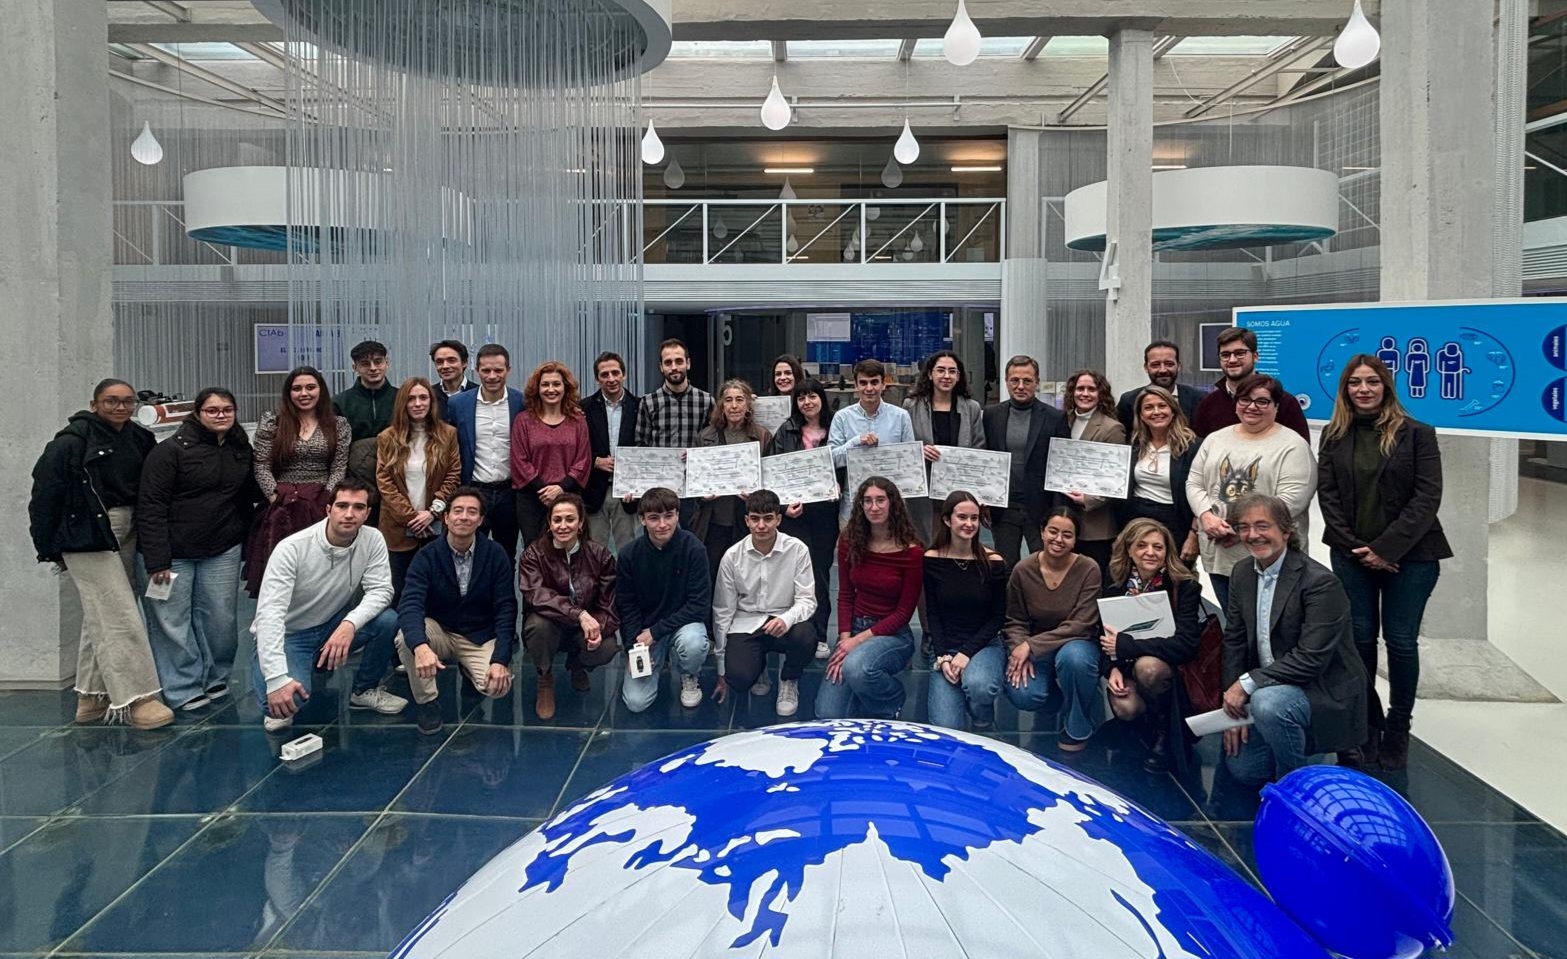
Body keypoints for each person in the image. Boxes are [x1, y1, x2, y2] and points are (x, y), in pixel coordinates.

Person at [1317, 355, 1451, 770]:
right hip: (1351, 555)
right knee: (1359, 641)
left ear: (1386, 386)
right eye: (1355, 382)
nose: (1364, 389)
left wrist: (1386, 550)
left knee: (1401, 642)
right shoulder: (1334, 435)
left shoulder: (1417, 433)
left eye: (1372, 381)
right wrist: (1359, 549)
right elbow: (1328, 497)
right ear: (1345, 389)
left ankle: (1398, 727)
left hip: (1413, 558)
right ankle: (1366, 724)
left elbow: (1427, 497)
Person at [28, 379, 173, 729]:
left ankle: (92, 697)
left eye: (127, 401)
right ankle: (138, 698)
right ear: (94, 404)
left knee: (103, 612)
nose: (120, 407)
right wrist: (48, 548)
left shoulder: (140, 438)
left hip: (130, 525)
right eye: (111, 401)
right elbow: (44, 497)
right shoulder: (70, 443)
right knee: (118, 612)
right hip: (87, 533)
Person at [1220, 494, 1368, 784]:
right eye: (1244, 527)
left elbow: (1311, 659)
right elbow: (1234, 640)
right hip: (1269, 684)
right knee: (1246, 771)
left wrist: (1245, 684)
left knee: (1268, 705)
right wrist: (1232, 709)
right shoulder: (1242, 573)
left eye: (1263, 526)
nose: (1253, 535)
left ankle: (1294, 785)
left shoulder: (1320, 582)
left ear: (1286, 531)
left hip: (1319, 688)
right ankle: (1295, 742)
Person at [136, 387, 262, 712]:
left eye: (227, 409)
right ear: (197, 413)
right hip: (172, 554)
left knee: (221, 620)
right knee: (172, 623)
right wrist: (157, 559)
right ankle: (182, 687)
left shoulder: (239, 449)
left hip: (221, 549)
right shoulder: (169, 452)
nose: (220, 415)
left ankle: (215, 677)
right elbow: (150, 506)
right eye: (212, 410)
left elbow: (249, 495)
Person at [250, 478, 408, 733]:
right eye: (342, 506)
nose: (349, 514)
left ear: (367, 513)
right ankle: (282, 666)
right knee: (284, 704)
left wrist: (349, 624)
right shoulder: (292, 549)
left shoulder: (372, 539)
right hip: (290, 635)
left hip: (331, 626)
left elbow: (382, 590)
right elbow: (270, 615)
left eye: (358, 507)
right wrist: (276, 678)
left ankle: (363, 690)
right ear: (328, 509)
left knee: (387, 620)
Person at [1187, 373, 1317, 614]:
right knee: (1234, 623)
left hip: (1269, 557)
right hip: (1220, 552)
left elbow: (1291, 500)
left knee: (1271, 624)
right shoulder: (1215, 439)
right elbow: (1194, 483)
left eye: (1262, 401)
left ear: (1276, 406)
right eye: (1245, 399)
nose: (1252, 407)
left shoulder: (1292, 445)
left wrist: (1242, 530)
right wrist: (1206, 516)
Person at [394, 487, 516, 736]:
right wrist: (420, 646)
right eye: (458, 511)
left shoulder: (495, 554)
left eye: (472, 512)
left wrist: (501, 660)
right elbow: (410, 604)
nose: (464, 517)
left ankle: (470, 672)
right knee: (406, 639)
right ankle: (428, 703)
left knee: (497, 687)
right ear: (446, 517)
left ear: (480, 520)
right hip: (439, 630)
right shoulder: (427, 556)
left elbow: (506, 608)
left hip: (479, 634)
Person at [814, 477, 924, 720]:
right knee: (827, 713)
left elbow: (903, 613)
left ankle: (891, 698)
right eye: (868, 501)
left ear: (892, 503)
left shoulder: (912, 551)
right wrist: (845, 641)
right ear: (861, 506)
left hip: (892, 634)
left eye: (880, 500)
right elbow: (845, 595)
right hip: (854, 628)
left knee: (857, 669)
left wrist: (857, 642)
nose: (874, 507)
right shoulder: (849, 541)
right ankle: (863, 687)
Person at [1100, 518, 1204, 772]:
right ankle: (1143, 727)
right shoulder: (1114, 582)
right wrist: (1111, 670)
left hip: (1170, 670)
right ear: (1129, 549)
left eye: (1158, 547)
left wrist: (1127, 647)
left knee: (1149, 668)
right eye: (1142, 545)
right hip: (1126, 665)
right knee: (1125, 707)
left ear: (1167, 551)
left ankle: (1165, 732)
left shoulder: (1184, 585)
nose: (1150, 552)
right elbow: (1098, 634)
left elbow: (1185, 645)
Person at [1002, 507, 1102, 752]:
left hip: (1076, 644)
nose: (1059, 539)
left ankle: (1077, 723)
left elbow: (1082, 624)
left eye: (1067, 535)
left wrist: (1031, 645)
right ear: (1042, 532)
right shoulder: (1023, 570)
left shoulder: (1089, 569)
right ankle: (1057, 697)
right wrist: (1019, 647)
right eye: (1053, 531)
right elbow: (1014, 620)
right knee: (1023, 693)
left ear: (1075, 540)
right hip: (1038, 649)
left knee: (1074, 660)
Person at [246, 366, 351, 596]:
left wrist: (327, 497)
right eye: (297, 389)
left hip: (320, 501)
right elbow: (261, 464)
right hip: (280, 503)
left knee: (318, 574)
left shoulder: (338, 425)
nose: (304, 393)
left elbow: (338, 466)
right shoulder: (273, 423)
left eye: (310, 387)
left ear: (321, 390)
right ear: (289, 393)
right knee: (280, 576)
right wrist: (274, 497)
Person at [711, 490, 817, 717]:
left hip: (785, 621)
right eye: (755, 519)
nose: (761, 526)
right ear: (746, 520)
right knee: (738, 679)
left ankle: (789, 679)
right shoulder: (732, 556)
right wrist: (721, 667)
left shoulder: (798, 550)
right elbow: (723, 610)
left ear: (778, 519)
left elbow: (807, 600)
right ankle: (758, 668)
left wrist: (786, 619)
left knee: (807, 636)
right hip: (746, 622)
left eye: (768, 518)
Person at [518, 494, 620, 719]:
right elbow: (537, 596)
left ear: (581, 523)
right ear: (549, 523)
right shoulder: (533, 554)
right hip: (550, 624)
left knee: (607, 647)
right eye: (557, 520)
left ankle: (577, 664)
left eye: (570, 519)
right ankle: (544, 676)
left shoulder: (600, 555)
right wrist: (579, 614)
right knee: (538, 626)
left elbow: (609, 605)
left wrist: (598, 629)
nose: (563, 526)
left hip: (583, 629)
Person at [616, 487, 713, 713]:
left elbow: (699, 606)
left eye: (669, 516)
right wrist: (632, 648)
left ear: (678, 515)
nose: (662, 524)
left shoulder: (694, 549)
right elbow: (627, 605)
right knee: (636, 703)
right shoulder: (629, 555)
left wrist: (657, 631)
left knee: (694, 644)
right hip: (645, 632)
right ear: (642, 519)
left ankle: (689, 674)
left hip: (682, 625)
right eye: (654, 518)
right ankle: (658, 662)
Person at [923, 492, 1009, 731]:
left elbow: (998, 617)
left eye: (974, 518)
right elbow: (933, 613)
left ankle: (980, 709)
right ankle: (963, 687)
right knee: (947, 729)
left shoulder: (994, 562)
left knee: (980, 686)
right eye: (962, 517)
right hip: (946, 647)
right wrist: (942, 656)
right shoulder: (931, 559)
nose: (969, 524)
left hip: (983, 645)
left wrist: (966, 654)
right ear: (947, 520)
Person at [771, 379, 841, 657]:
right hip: (794, 512)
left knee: (820, 572)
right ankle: (794, 630)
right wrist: (783, 507)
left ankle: (820, 634)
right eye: (801, 398)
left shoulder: (836, 427)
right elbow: (773, 470)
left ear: (822, 398)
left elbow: (848, 465)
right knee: (793, 572)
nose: (807, 402)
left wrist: (839, 487)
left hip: (825, 511)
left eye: (812, 396)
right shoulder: (786, 430)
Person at [376, 377, 460, 601]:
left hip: (435, 525)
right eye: (411, 399)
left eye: (423, 398)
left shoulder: (448, 434)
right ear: (402, 403)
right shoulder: (387, 437)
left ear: (431, 401)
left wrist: (432, 512)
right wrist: (412, 518)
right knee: (399, 592)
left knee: (436, 592)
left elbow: (453, 475)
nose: (418, 403)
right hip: (397, 527)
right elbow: (385, 481)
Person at [982, 355, 1071, 565]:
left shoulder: (1055, 417)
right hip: (1004, 507)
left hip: (1041, 507)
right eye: (1015, 380)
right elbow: (985, 458)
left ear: (1037, 382)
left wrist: (1059, 511)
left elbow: (1062, 467)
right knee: (1005, 565)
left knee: (1043, 565)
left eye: (1027, 381)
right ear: (1006, 381)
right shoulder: (991, 415)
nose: (1020, 386)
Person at [446, 344, 525, 563]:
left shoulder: (521, 402)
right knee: (468, 554)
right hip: (473, 490)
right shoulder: (458, 404)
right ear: (476, 370)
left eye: (498, 370)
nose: (492, 376)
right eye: (486, 370)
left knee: (506, 555)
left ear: (508, 370)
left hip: (509, 493)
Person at [693, 379, 774, 581]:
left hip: (747, 519)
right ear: (721, 405)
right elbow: (694, 482)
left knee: (747, 577)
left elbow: (771, 479)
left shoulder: (763, 436)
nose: (734, 405)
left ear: (748, 405)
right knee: (714, 575)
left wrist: (756, 495)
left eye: (740, 399)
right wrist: (702, 494)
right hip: (714, 520)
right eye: (728, 400)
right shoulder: (705, 437)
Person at [904, 350, 986, 542]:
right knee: (925, 539)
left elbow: (979, 446)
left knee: (957, 540)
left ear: (959, 376)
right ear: (930, 374)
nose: (946, 376)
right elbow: (903, 446)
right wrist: (918, 451)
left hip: (959, 486)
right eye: (941, 370)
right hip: (923, 487)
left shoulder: (971, 408)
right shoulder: (911, 406)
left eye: (952, 371)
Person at [511, 361, 592, 548]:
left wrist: (561, 488)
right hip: (532, 498)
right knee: (535, 550)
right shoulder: (523, 420)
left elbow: (583, 459)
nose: (551, 389)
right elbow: (519, 460)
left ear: (565, 387)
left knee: (568, 548)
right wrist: (544, 490)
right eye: (545, 384)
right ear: (537, 389)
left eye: (556, 384)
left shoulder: (578, 420)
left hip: (569, 495)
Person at [1119, 385, 1202, 567]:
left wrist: (1193, 535)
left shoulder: (1193, 447)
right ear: (1141, 415)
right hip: (1135, 522)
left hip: (1176, 524)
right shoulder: (1134, 445)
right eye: (1148, 407)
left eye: (1162, 406)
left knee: (1175, 578)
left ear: (1173, 411)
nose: (1156, 412)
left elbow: (1203, 491)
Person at [635, 338, 714, 526]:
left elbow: (713, 445)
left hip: (694, 487)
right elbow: (640, 446)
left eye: (679, 361)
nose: (674, 367)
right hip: (658, 487)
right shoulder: (648, 402)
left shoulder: (706, 401)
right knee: (658, 535)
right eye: (668, 362)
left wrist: (696, 455)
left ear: (688, 363)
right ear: (661, 367)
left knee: (692, 536)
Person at [826, 359, 917, 522]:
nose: (869, 388)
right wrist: (855, 442)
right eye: (863, 383)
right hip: (853, 507)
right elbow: (831, 459)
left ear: (884, 384)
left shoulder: (901, 416)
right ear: (856, 385)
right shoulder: (842, 417)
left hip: (891, 508)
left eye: (874, 382)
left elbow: (910, 461)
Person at [1061, 368, 1128, 576]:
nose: (1085, 394)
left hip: (1095, 523)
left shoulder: (1112, 428)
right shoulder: (1062, 420)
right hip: (1065, 516)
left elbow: (1117, 476)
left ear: (1101, 394)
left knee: (1093, 578)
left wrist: (1089, 499)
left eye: (1091, 389)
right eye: (1080, 388)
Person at [1191, 328, 1310, 441]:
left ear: (1255, 356)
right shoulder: (1208, 404)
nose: (1232, 360)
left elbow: (1300, 449)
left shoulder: (1283, 402)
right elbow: (1201, 449)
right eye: (1225, 355)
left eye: (1240, 353)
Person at [582, 351, 641, 552]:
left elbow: (645, 446)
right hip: (594, 489)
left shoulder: (639, 406)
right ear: (597, 379)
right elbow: (575, 448)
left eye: (615, 373)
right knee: (594, 551)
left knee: (628, 549)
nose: (611, 379)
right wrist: (594, 461)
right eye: (604, 375)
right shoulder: (583, 408)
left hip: (627, 492)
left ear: (624, 374)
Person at [1114, 340, 1203, 432]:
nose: (1162, 370)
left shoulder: (1199, 399)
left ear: (1178, 366)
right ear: (1146, 367)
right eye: (1155, 365)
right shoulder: (1129, 401)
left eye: (1169, 364)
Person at [430, 339, 477, 420]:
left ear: (464, 362)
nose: (445, 366)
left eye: (451, 360)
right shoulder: (429, 395)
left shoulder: (478, 394)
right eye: (439, 362)